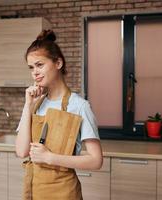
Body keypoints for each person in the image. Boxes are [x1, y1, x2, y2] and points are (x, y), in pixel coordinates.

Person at [16, 29, 103, 200]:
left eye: (40, 65)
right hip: (34, 190)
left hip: (64, 193)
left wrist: (49, 157)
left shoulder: (79, 106)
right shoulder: (35, 103)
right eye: (31, 67)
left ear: (58, 63)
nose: (35, 72)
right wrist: (27, 106)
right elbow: (21, 151)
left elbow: (96, 160)